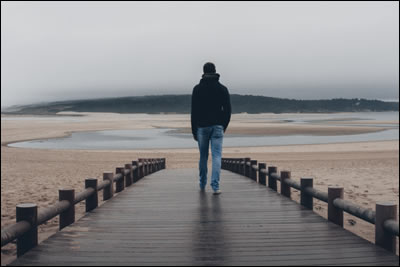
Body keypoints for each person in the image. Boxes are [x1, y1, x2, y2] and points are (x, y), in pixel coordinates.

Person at [191, 62, 231, 195]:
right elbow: (228, 110)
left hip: (202, 126)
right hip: (217, 126)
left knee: (203, 156)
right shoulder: (222, 89)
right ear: (215, 71)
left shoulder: (197, 89)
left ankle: (202, 183)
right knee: (217, 156)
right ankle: (215, 186)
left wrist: (194, 130)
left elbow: (194, 111)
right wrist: (223, 125)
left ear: (203, 72)